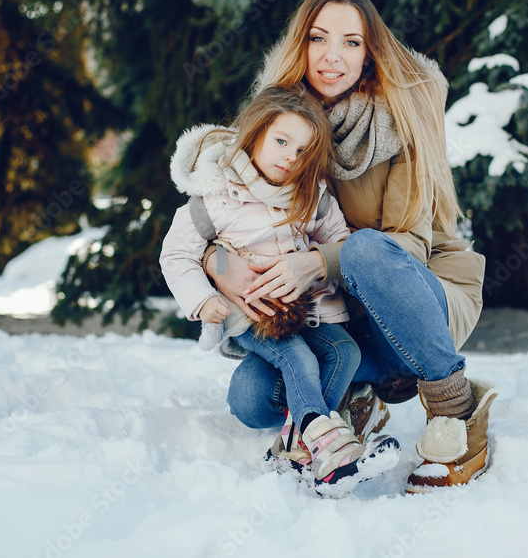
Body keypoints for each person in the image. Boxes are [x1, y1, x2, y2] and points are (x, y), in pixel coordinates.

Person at [202, 0, 498, 494]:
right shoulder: (280, 123)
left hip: (415, 301)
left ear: (369, 53)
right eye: (318, 39)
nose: (331, 57)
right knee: (252, 400)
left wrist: (316, 263)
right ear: (300, 45)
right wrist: (220, 270)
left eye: (351, 42)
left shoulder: (399, 121)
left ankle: (456, 407)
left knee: (364, 250)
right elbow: (212, 222)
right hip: (332, 318)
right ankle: (356, 394)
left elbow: (408, 244)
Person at [159, 84, 400, 497]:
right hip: (252, 313)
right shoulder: (215, 198)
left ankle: (294, 444)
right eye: (282, 141)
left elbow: (341, 243)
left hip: (312, 310)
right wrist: (203, 300)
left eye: (303, 150)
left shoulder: (312, 194)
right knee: (295, 354)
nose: (292, 156)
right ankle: (325, 443)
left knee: (347, 352)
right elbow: (175, 255)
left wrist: (317, 268)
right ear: (254, 135)